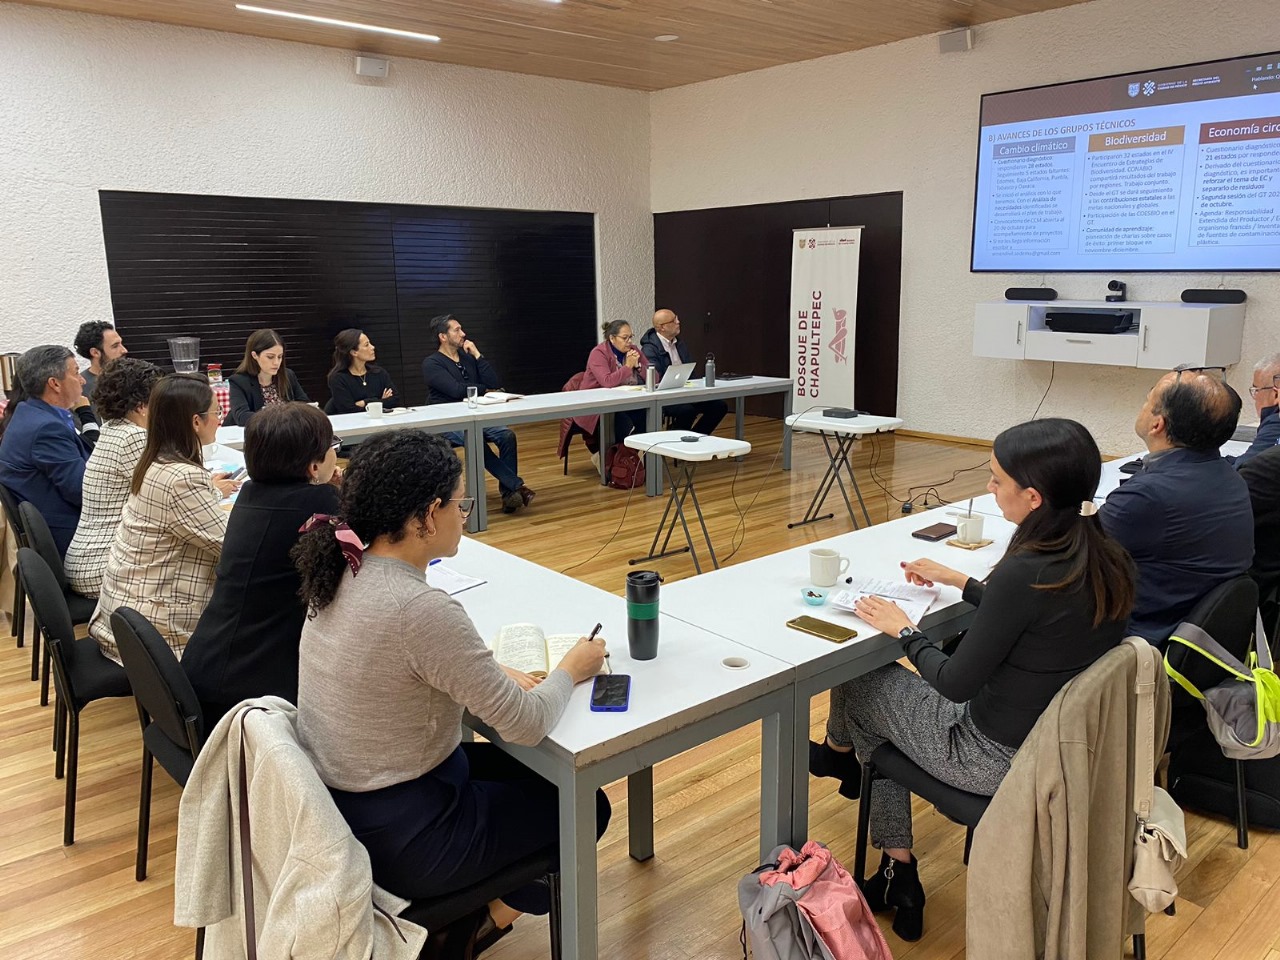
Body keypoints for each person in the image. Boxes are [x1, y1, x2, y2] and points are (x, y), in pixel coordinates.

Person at [808, 418, 1135, 942]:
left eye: (997, 480)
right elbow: (1036, 619)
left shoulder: (1024, 571)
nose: (989, 487)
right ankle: (882, 845)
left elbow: (955, 683)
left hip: (990, 759)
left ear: (1032, 498)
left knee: (861, 681)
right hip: (1061, 751)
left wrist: (904, 630)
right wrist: (963, 582)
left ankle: (847, 771)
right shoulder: (1105, 557)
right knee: (877, 713)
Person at [293, 431, 610, 955]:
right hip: (408, 835)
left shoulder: (344, 570)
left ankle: (466, 914)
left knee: (546, 780)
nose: (465, 515)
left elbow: (397, 663)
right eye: (460, 504)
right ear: (428, 516)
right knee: (585, 806)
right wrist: (571, 670)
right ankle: (471, 929)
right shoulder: (419, 609)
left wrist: (483, 667)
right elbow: (527, 724)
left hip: (345, 807)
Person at [183, 403, 342, 725]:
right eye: (332, 446)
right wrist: (337, 492)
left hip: (207, 670)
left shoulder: (251, 494)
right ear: (314, 465)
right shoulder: (319, 506)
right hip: (250, 702)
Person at [89, 374, 240, 663]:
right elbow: (233, 549)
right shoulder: (182, 478)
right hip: (154, 632)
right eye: (217, 412)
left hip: (124, 616)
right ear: (196, 422)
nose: (219, 420)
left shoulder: (154, 461)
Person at [1099, 368, 1253, 644]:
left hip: (1142, 642)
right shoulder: (1230, 478)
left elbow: (1070, 554)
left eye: (1148, 399)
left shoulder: (1147, 497)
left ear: (1157, 424)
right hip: (1194, 636)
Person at [64, 358, 162, 596]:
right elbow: (164, 498)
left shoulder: (112, 428)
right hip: (105, 565)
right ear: (142, 405)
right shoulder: (134, 438)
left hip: (89, 557)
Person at [422, 314, 535, 514]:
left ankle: (509, 495)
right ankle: (517, 486)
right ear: (443, 336)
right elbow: (455, 390)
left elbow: (493, 383)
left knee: (507, 436)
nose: (463, 333)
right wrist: (483, 390)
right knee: (475, 440)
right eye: (457, 330)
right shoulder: (432, 363)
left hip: (476, 414)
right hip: (447, 419)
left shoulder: (467, 358)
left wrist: (477, 355)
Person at [0, 345, 92, 554]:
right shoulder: (46, 428)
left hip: (55, 528)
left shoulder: (29, 413)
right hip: (72, 541)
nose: (82, 380)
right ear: (54, 384)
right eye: (76, 372)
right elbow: (83, 492)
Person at [639, 309, 727, 435]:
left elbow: (690, 369)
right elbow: (657, 377)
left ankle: (696, 436)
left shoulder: (679, 343)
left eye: (677, 318)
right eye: (673, 320)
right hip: (665, 396)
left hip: (686, 391)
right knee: (687, 411)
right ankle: (676, 438)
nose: (678, 322)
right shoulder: (649, 349)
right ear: (662, 327)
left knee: (719, 406)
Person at [572, 319, 650, 449]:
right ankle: (615, 455)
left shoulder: (634, 350)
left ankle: (631, 455)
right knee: (624, 423)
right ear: (612, 338)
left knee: (648, 417)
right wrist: (628, 366)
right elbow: (607, 381)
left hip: (626, 401)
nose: (629, 341)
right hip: (598, 405)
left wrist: (639, 366)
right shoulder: (599, 353)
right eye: (625, 338)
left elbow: (655, 378)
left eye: (631, 337)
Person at [228, 329, 310, 426]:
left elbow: (304, 404)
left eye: (280, 357)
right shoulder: (239, 381)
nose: (276, 362)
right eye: (270, 357)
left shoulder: (288, 375)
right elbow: (242, 417)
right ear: (255, 355)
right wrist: (282, 418)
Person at [326, 328, 399, 414]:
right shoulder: (338, 378)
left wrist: (365, 402)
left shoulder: (379, 373)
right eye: (366, 345)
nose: (372, 347)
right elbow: (348, 410)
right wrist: (380, 401)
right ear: (354, 352)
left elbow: (395, 399)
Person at [1233, 353, 1280, 467]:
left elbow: (1244, 468)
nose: (1254, 397)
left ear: (1275, 394)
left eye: (1256, 390)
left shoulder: (1275, 424)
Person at [73, 320, 128, 407]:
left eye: (121, 344)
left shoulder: (132, 378)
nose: (124, 350)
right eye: (115, 346)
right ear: (95, 352)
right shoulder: (80, 387)